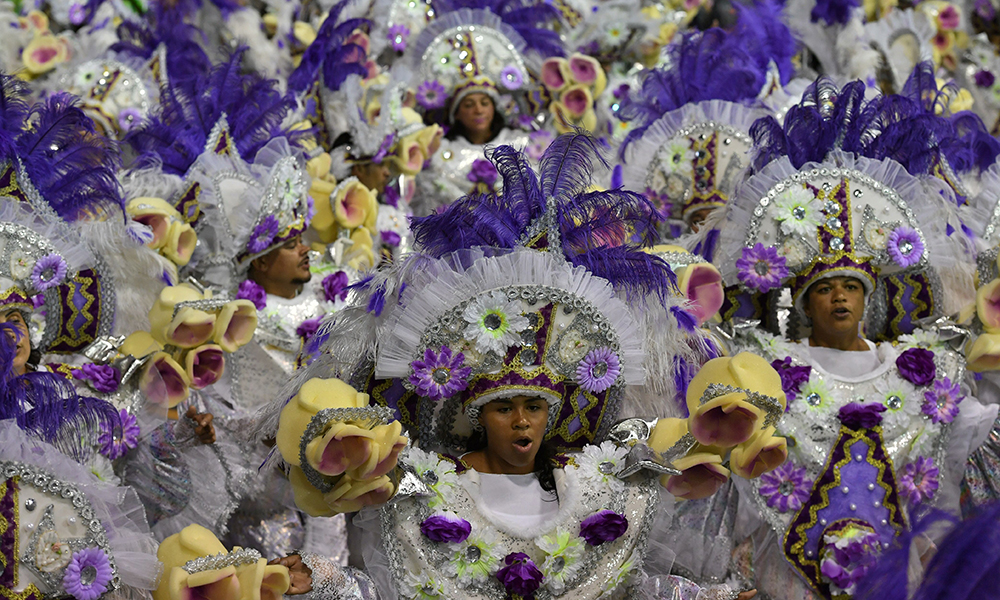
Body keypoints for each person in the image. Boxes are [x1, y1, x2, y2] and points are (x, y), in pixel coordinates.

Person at [254, 133, 781, 600]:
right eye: (504, 406)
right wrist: (320, 581)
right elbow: (383, 589)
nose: (523, 420)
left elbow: (630, 587)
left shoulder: (600, 489)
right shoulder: (423, 491)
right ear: (477, 414)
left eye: (535, 405)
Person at [696, 76, 1000, 600]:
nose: (839, 299)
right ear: (802, 300)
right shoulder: (759, 374)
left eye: (851, 288)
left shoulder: (931, 375)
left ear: (870, 298)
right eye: (825, 289)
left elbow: (971, 452)